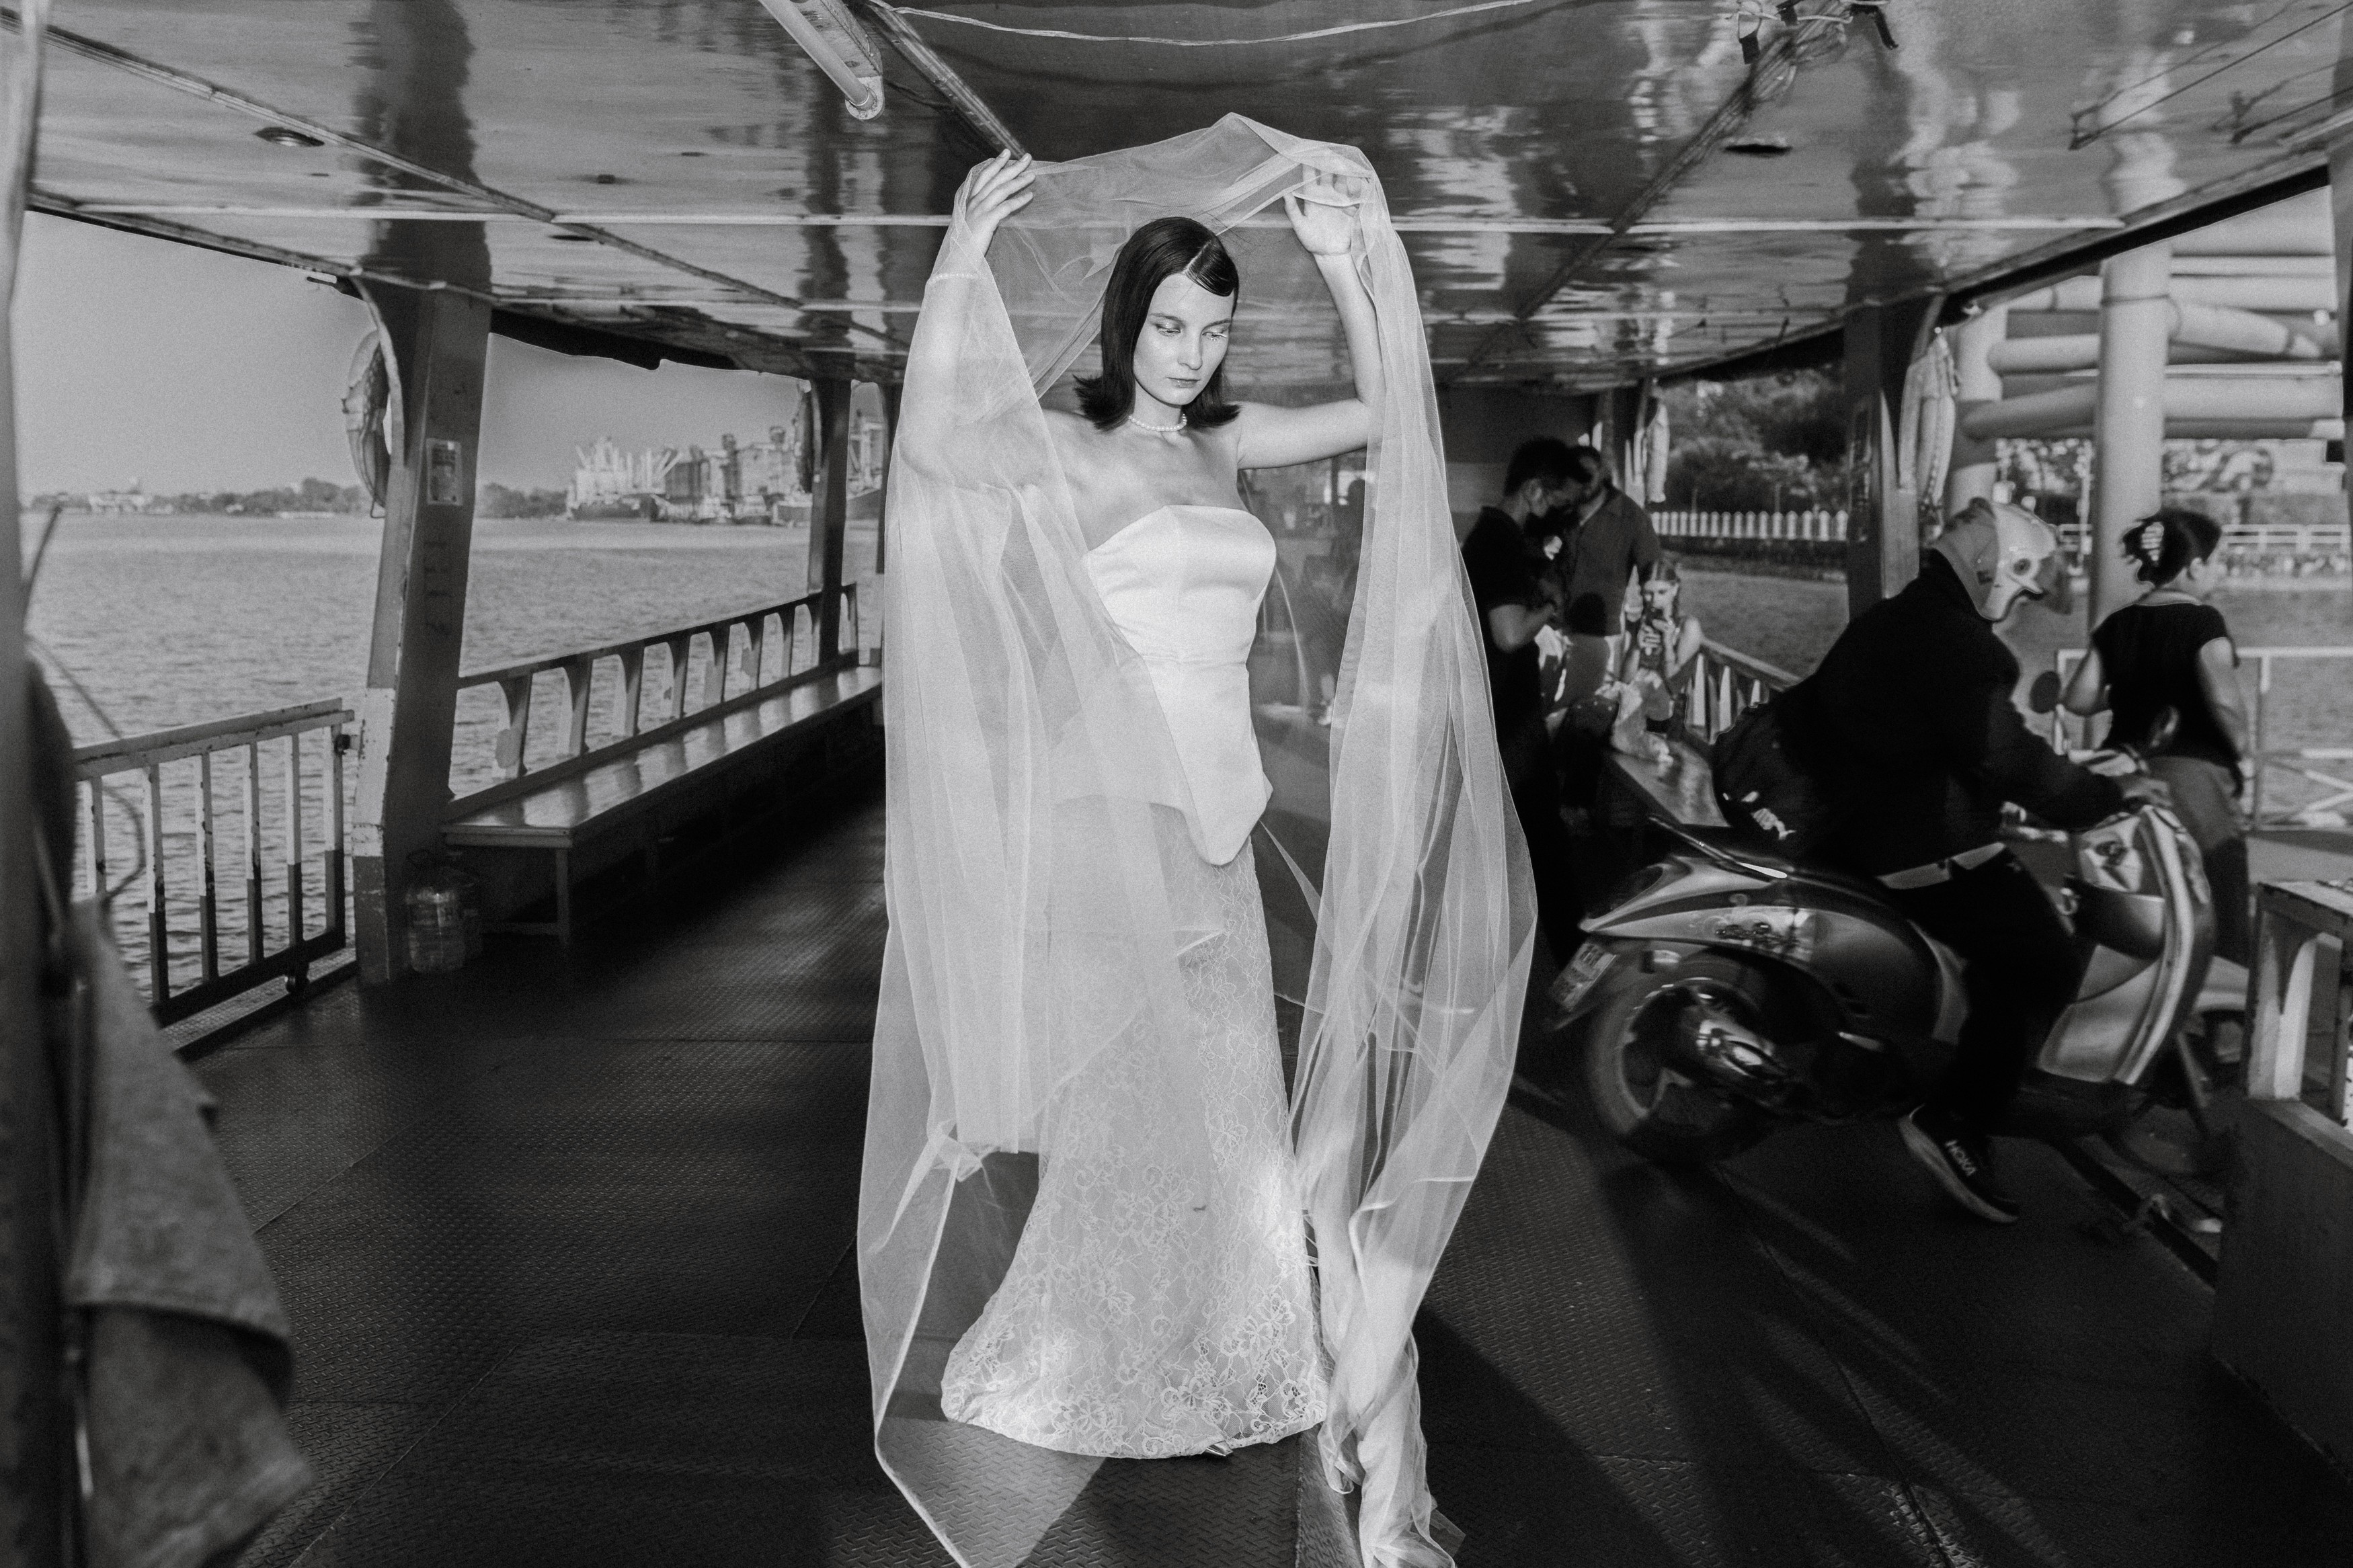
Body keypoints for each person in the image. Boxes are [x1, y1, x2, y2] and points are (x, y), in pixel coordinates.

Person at [866, 120, 1533, 1568]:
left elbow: (1392, 412)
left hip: (1219, 821)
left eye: (1214, 329)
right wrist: (960, 257)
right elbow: (927, 449)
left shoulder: (1225, 440)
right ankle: (1099, 1349)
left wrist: (1351, 263)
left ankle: (1227, 1337)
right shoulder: (1066, 445)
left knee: (1228, 1116)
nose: (1189, 352)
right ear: (1127, 321)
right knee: (1131, 1105)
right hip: (1114, 818)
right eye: (1170, 325)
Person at [1790, 499, 2170, 1223]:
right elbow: (2006, 753)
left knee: (2007, 924)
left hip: (1853, 828)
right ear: (1999, 570)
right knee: (2042, 959)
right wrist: (2098, 796)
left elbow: (1949, 742)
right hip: (1919, 844)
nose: (2019, 607)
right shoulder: (1960, 644)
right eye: (2022, 591)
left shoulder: (1895, 617)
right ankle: (1956, 1118)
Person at [2062, 508, 2251, 964]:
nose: (2219, 572)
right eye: (2216, 562)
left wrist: (2135, 690)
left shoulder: (2117, 623)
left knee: (2135, 895)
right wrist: (2244, 749)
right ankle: (2225, 996)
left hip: (2123, 773)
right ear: (2194, 566)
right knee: (2221, 898)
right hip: (2194, 778)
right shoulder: (2204, 622)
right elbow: (2223, 700)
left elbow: (2079, 698)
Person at [1462, 438, 1583, 958]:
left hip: (1496, 710)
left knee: (1517, 836)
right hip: (1507, 717)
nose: (1558, 519)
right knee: (1543, 837)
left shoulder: (1489, 535)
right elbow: (1509, 633)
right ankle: (1573, 953)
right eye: (1556, 505)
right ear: (1533, 490)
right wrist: (1550, 607)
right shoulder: (1500, 541)